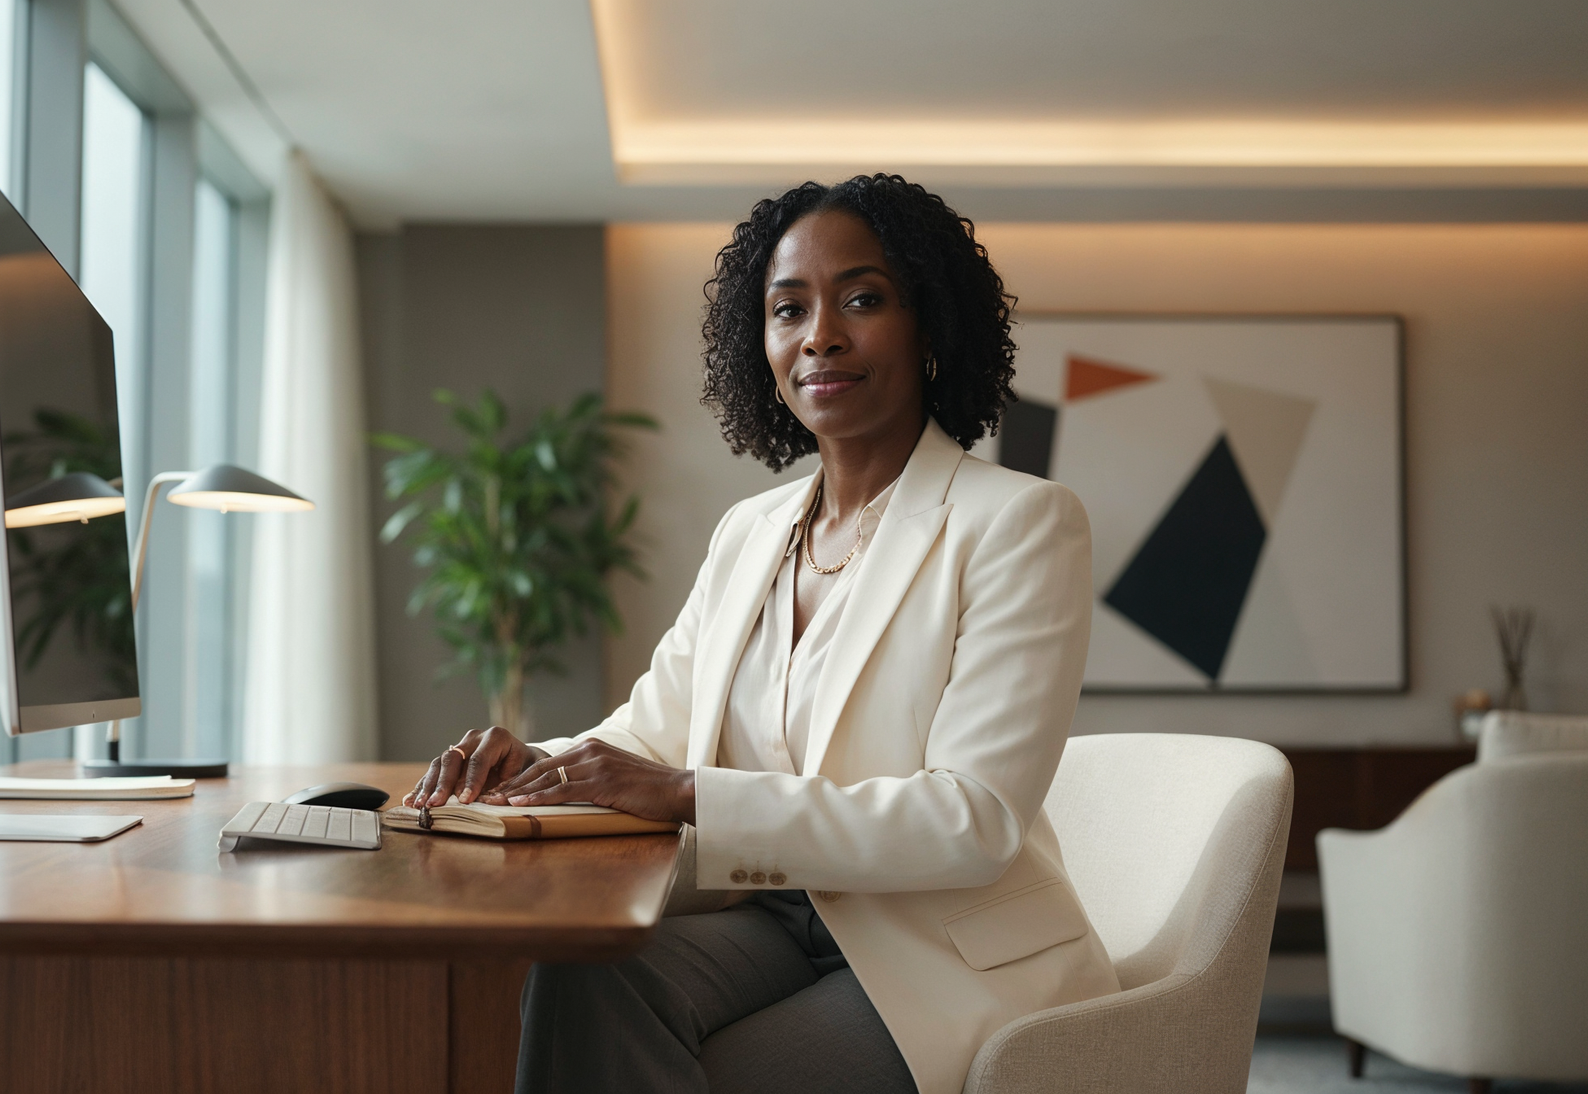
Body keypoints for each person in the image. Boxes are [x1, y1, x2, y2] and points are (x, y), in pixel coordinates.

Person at [404, 174, 1116, 1094]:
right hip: (775, 916)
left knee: (717, 1074)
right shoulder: (750, 531)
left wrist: (687, 794)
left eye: (863, 299)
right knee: (586, 979)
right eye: (789, 309)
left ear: (931, 326)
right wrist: (535, 765)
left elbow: (972, 820)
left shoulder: (1020, 522)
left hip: (941, 947)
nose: (820, 334)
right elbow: (651, 732)